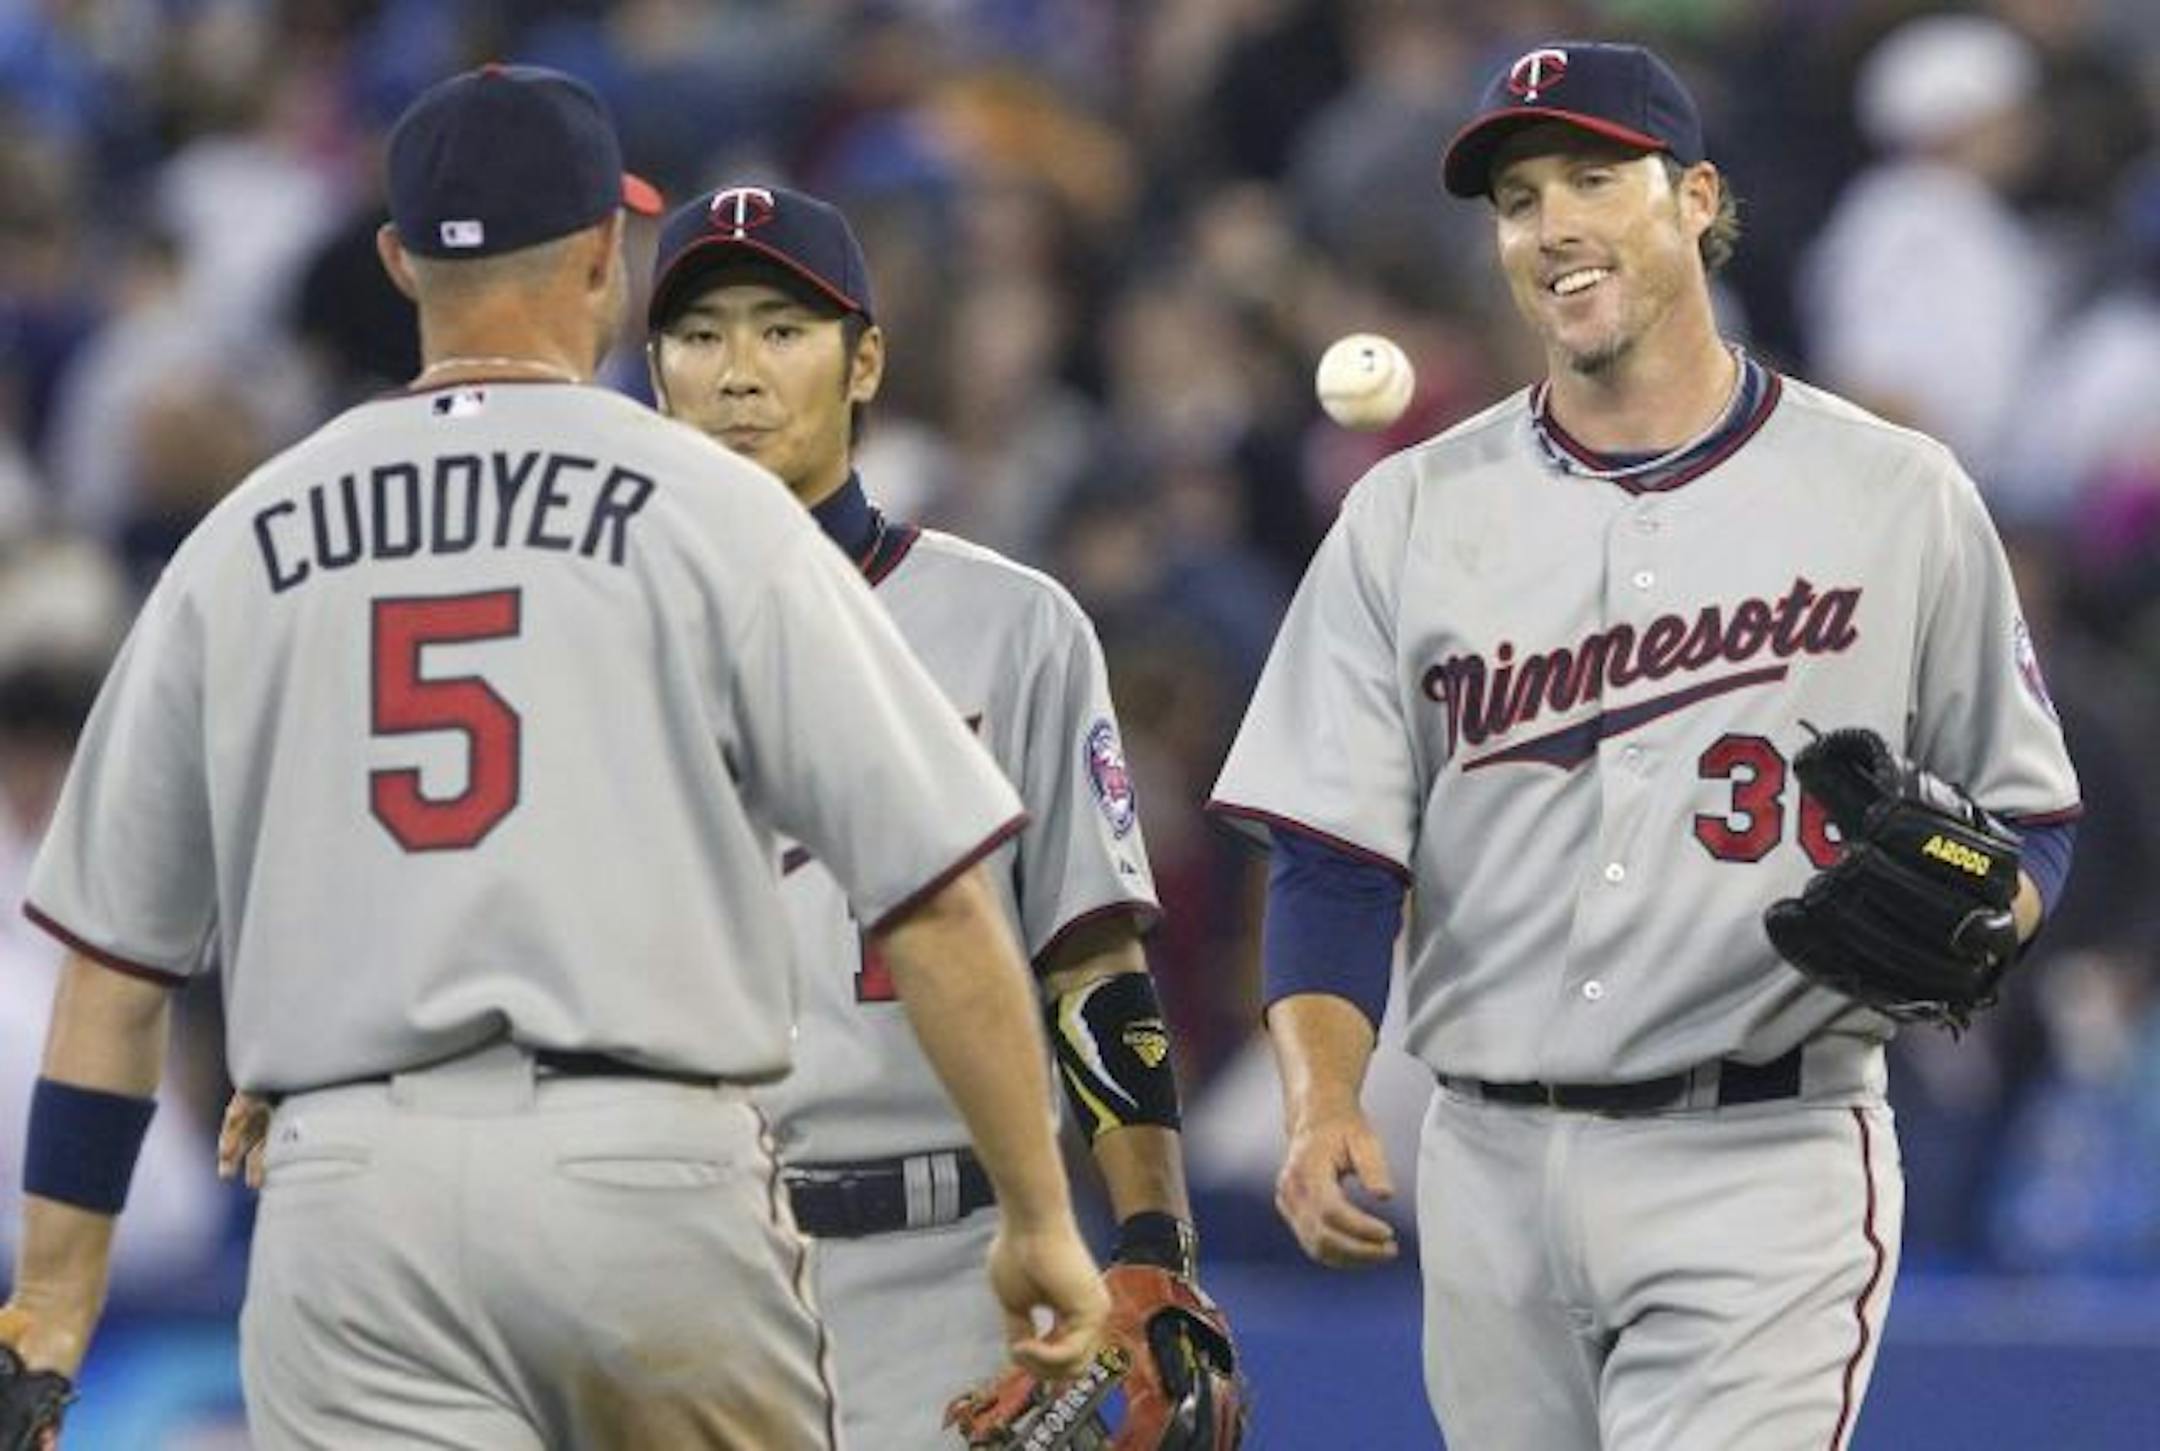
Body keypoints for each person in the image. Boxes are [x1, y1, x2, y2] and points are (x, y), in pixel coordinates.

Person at [0, 65, 1105, 1449]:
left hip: (352, 1189)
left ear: (402, 260)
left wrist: (50, 1298)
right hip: (648, 1172)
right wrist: (1040, 1216)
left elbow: (112, 974)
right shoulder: (716, 507)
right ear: (607, 255)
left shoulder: (246, 534)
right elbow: (936, 895)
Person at [1209, 41, 2080, 1451]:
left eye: (1596, 179)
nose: (1552, 224)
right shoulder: (1409, 509)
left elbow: (2031, 818)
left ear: (1697, 198)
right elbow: (1331, 851)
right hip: (1484, 1158)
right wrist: (1322, 1098)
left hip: (1764, 1152)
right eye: (1517, 198)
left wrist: (1990, 916)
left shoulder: (1893, 492)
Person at [637, 182, 1224, 1449]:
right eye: (701, 334)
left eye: (783, 330)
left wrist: (1153, 1242)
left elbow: (1090, 957)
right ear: (655, 372)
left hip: (956, 1264)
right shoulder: (590, 637)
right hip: (669, 1265)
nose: (739, 372)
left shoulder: (1008, 624)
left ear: (866, 361)